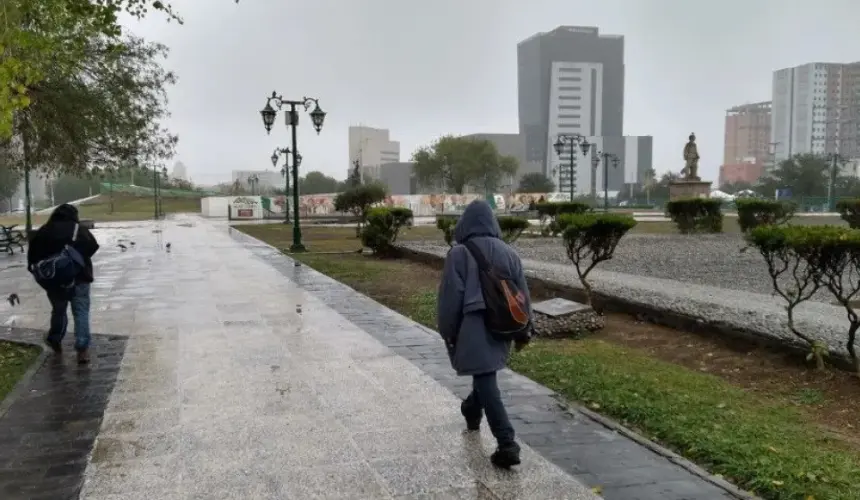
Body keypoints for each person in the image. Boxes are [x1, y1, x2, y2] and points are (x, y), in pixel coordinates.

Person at [437, 199, 533, 469]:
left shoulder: (459, 253)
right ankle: (471, 407)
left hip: (474, 326)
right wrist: (527, 328)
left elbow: (450, 298)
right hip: (504, 324)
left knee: (486, 377)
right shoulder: (509, 253)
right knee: (485, 372)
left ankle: (507, 443)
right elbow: (523, 295)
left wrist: (447, 330)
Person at [27, 204, 100, 364]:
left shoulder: (45, 231)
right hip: (80, 277)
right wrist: (76, 258)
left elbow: (33, 256)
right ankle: (82, 349)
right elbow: (93, 246)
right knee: (81, 311)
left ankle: (55, 339)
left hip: (54, 280)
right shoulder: (78, 229)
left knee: (58, 310)